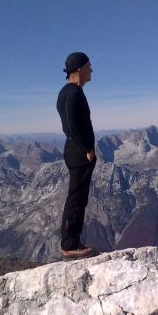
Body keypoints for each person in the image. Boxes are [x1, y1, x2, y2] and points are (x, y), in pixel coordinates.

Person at [56, 52, 98, 260]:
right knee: (76, 199)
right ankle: (70, 245)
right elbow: (71, 126)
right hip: (79, 153)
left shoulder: (67, 92)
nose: (91, 69)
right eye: (89, 66)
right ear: (80, 68)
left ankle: (72, 242)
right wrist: (87, 149)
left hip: (75, 152)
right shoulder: (73, 93)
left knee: (78, 198)